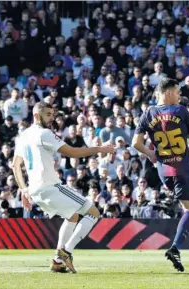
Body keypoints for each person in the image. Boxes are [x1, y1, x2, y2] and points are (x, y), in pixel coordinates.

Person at [11, 102, 116, 273]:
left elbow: (15, 166)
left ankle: (57, 262)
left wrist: (23, 189)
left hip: (35, 190)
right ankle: (66, 251)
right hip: (50, 186)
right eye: (48, 114)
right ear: (37, 116)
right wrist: (100, 149)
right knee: (94, 213)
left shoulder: (23, 135)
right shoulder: (44, 133)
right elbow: (72, 152)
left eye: (53, 114)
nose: (52, 118)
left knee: (73, 216)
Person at [132, 78, 189, 272]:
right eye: (177, 92)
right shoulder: (180, 111)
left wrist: (151, 153)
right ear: (168, 92)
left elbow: (136, 143)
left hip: (164, 171)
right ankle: (175, 247)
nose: (179, 96)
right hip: (183, 168)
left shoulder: (148, 113)